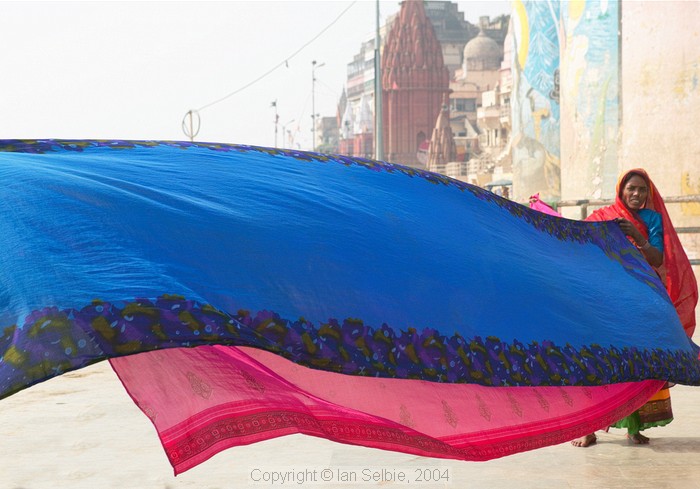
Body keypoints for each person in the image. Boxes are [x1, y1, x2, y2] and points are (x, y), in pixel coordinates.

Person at [566, 168, 698, 447]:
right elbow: (583, 246)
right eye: (631, 189)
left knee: (640, 362)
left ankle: (633, 425)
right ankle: (588, 428)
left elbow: (657, 257)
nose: (636, 194)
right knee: (601, 359)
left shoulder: (652, 219)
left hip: (639, 300)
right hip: (608, 300)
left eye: (641, 190)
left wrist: (637, 238)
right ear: (621, 191)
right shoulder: (603, 217)